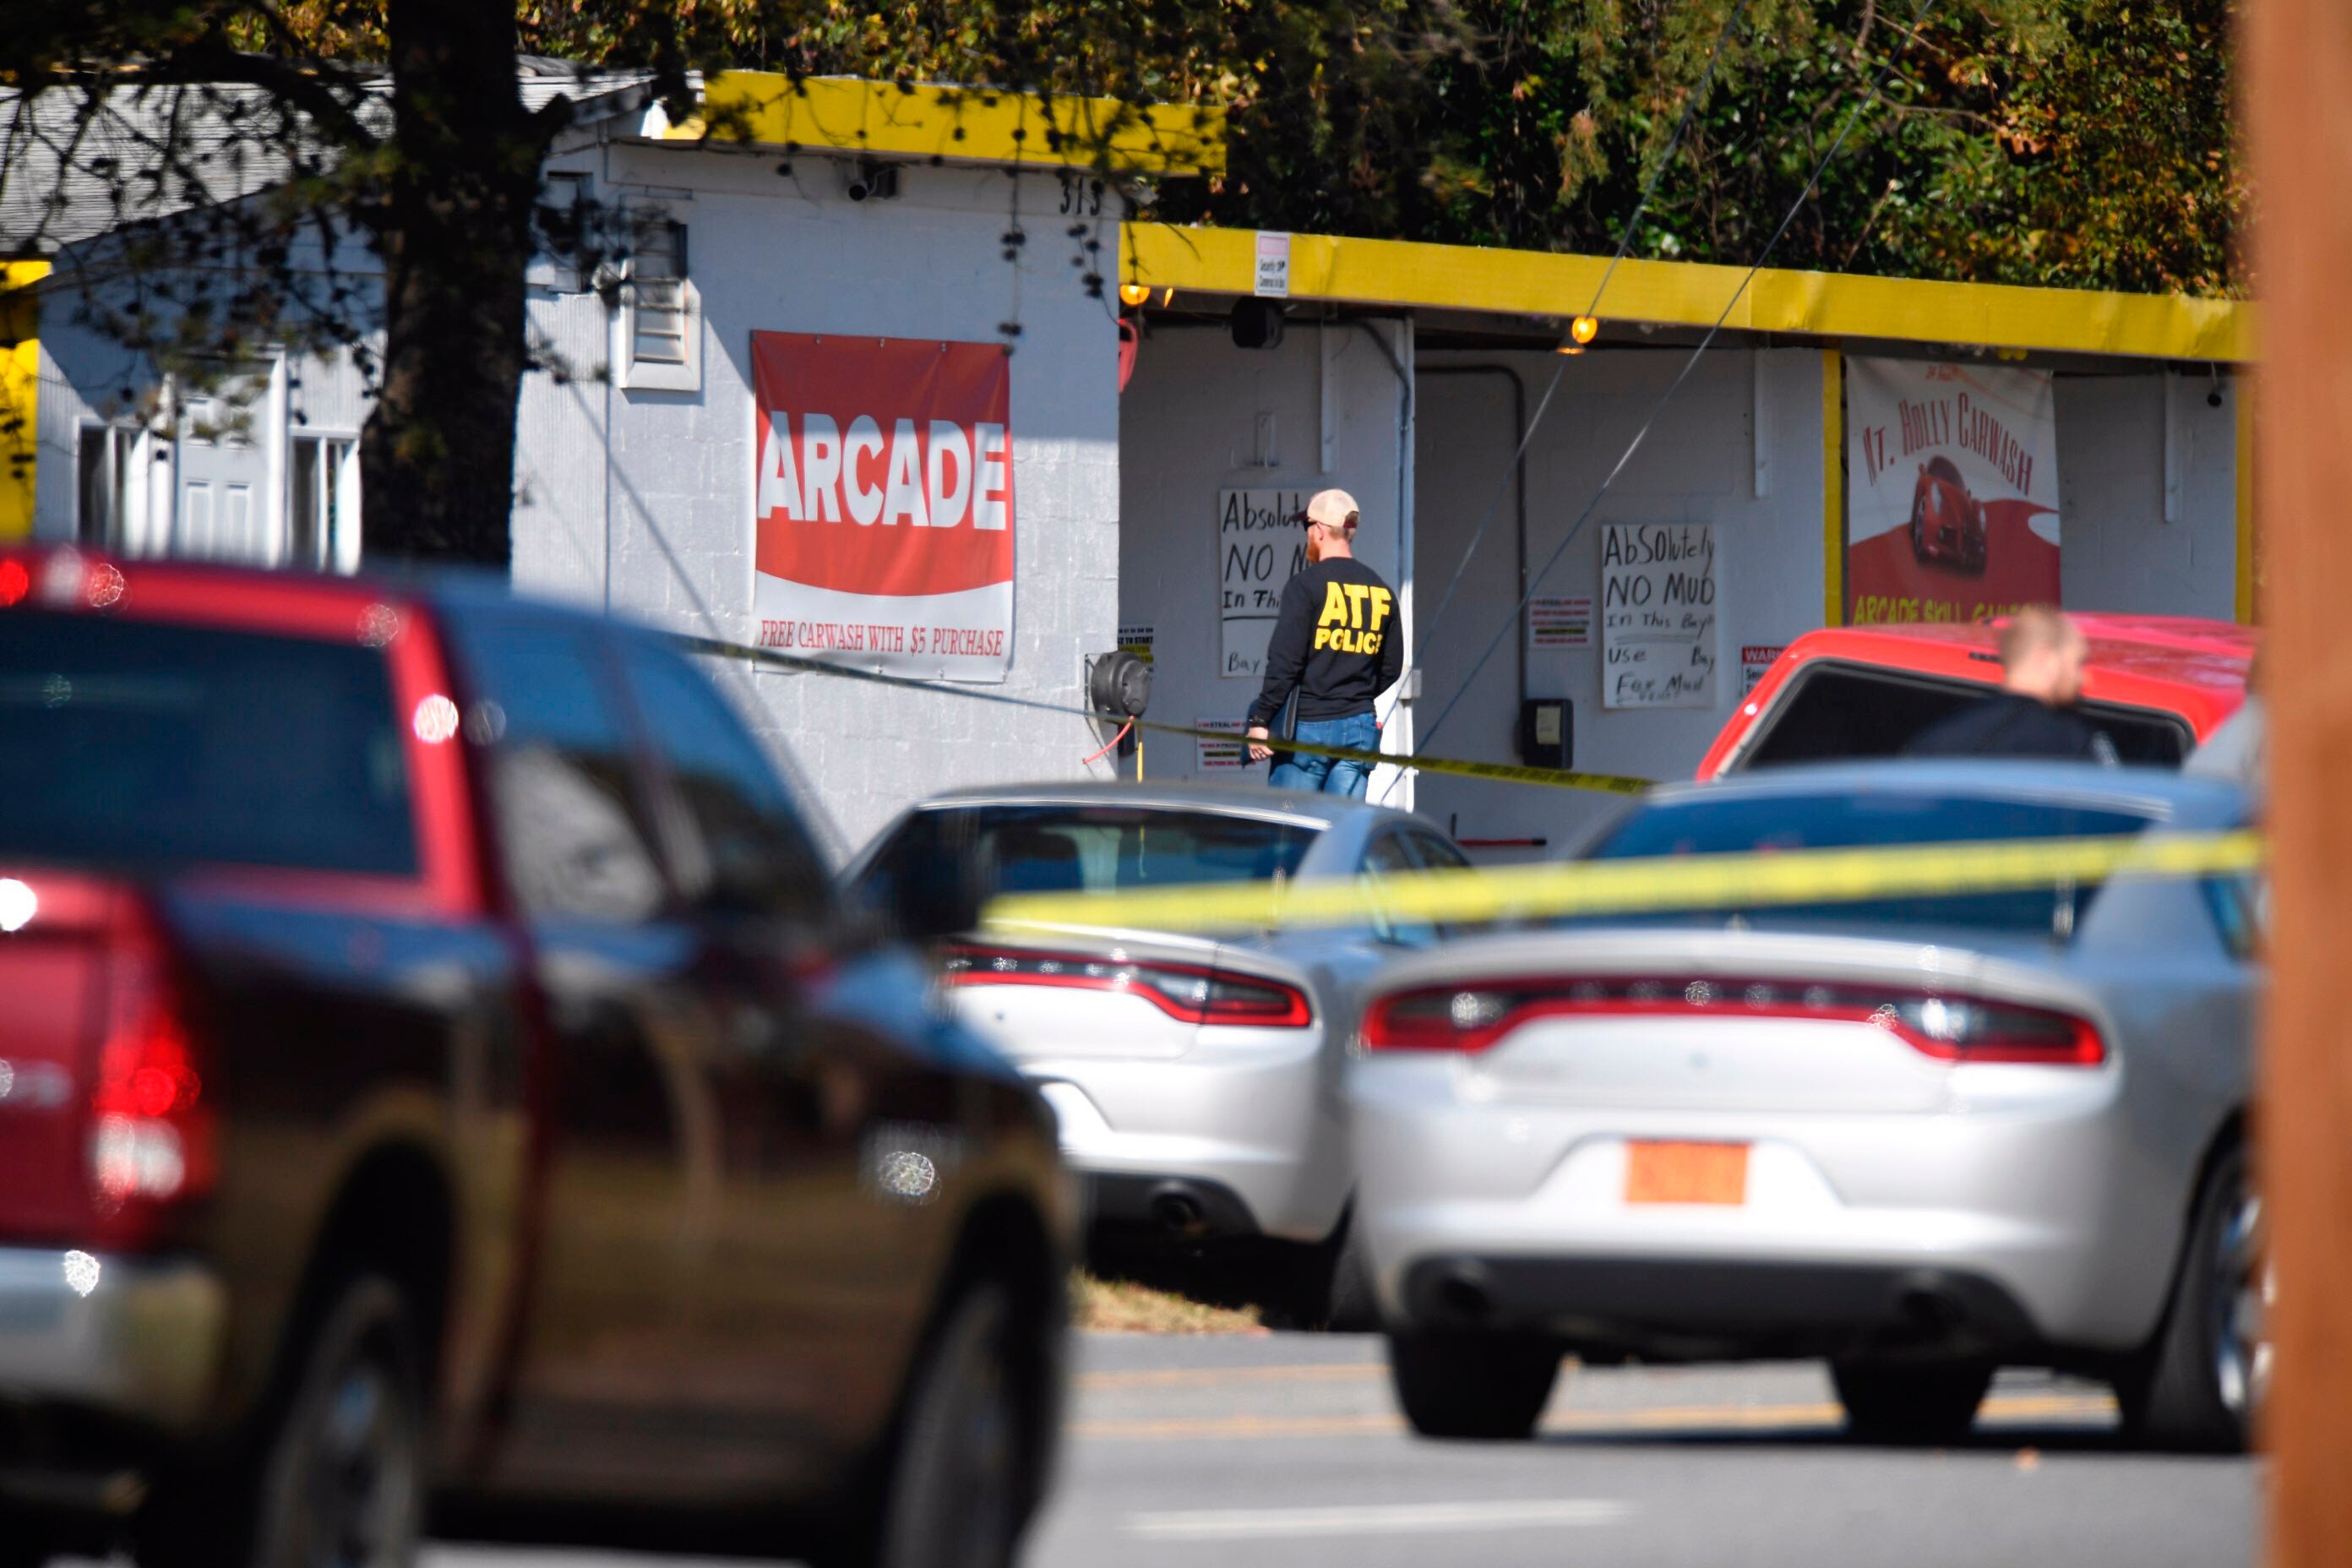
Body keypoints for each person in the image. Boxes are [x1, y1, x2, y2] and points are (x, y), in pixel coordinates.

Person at [1244, 488, 1403, 796]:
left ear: (1318, 530)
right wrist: (1354, 695)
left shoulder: (1305, 586)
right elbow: (1392, 667)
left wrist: (1260, 720)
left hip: (1308, 731)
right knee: (1342, 832)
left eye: (1307, 528)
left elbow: (1285, 662)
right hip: (1359, 729)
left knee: (1290, 827)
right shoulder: (1381, 591)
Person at [1904, 604, 2119, 764]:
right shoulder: (2076, 745)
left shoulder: (1937, 740)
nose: (2084, 678)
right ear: (2047, 660)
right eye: (2078, 663)